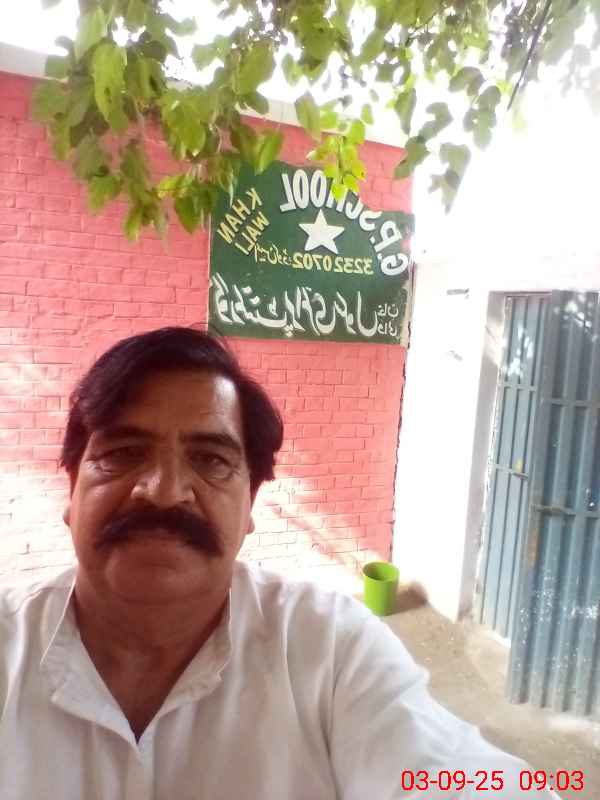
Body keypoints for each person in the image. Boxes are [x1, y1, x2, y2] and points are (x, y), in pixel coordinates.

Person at [0, 326, 561, 800]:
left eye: (210, 460)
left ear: (249, 508)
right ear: (71, 494)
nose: (165, 491)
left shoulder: (331, 649)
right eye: (122, 453)